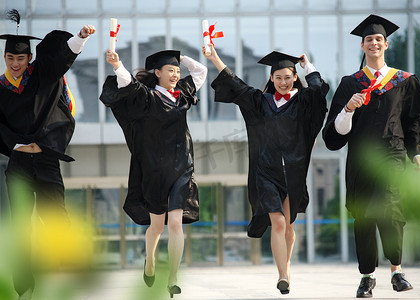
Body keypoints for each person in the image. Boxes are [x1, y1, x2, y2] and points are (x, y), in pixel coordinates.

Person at [322, 14, 420, 298]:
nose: (374, 43)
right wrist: (348, 109)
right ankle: (367, 277)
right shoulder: (351, 83)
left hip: (393, 156)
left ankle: (397, 271)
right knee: (363, 216)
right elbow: (336, 132)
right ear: (362, 46)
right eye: (368, 40)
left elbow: (414, 119)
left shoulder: (403, 81)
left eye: (378, 39)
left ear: (386, 44)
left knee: (392, 211)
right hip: (361, 159)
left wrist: (418, 154)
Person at [203, 45, 328, 294]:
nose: (283, 82)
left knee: (289, 226)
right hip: (266, 172)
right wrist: (214, 57)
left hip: (293, 172)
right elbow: (236, 85)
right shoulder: (262, 102)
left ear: (294, 78)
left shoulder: (303, 101)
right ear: (271, 78)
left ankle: (286, 263)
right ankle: (283, 275)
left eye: (288, 77)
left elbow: (319, 91)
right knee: (279, 223)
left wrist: (308, 66)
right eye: (278, 77)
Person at [0, 9, 95, 300]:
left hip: (46, 160)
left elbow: (59, 60)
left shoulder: (42, 75)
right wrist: (16, 145)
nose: (16, 64)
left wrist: (79, 39)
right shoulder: (0, 88)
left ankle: (62, 278)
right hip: (18, 163)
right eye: (10, 58)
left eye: (21, 58)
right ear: (5, 59)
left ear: (29, 58)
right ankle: (24, 287)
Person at [100, 49, 206, 298]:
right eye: (170, 70)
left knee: (177, 223)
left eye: (177, 71)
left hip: (182, 167)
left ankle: (173, 277)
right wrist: (117, 65)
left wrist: (183, 60)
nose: (175, 74)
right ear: (157, 73)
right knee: (157, 227)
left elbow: (201, 72)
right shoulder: (146, 98)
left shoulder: (182, 95)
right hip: (154, 170)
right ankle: (150, 261)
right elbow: (126, 82)